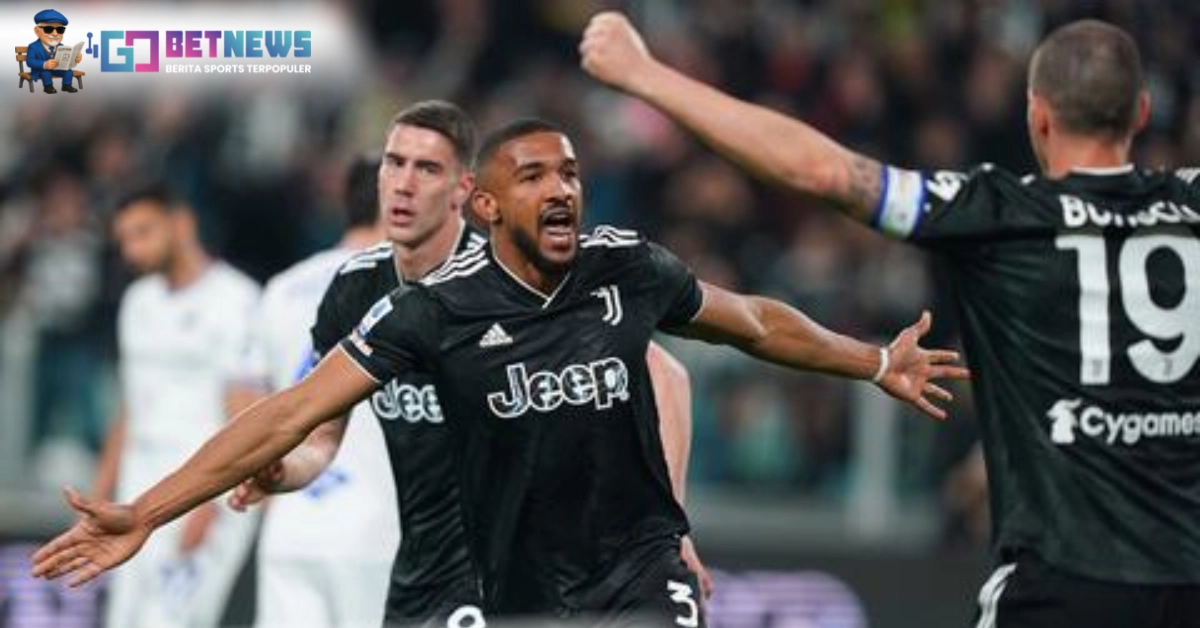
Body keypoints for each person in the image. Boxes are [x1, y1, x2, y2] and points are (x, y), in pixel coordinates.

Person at [32, 119, 966, 626]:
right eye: (535, 176)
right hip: (503, 587)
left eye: (571, 173)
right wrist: (147, 511)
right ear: (486, 204)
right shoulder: (426, 312)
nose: (562, 189)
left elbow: (753, 324)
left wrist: (874, 360)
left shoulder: (622, 268)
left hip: (635, 571)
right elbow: (292, 416)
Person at [580, 13, 1200, 627]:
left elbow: (822, 170)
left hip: (1060, 585)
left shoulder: (1000, 212)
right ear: (1143, 111)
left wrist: (645, 74)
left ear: (1037, 114)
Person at [228, 101, 706, 626]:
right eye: (395, 163)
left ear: (464, 191)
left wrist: (671, 533)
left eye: (427, 169)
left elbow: (667, 375)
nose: (404, 184)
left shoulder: (511, 275)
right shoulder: (355, 289)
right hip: (417, 579)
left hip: (504, 577)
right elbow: (321, 441)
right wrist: (283, 471)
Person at [231, 154, 397, 628]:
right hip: (376, 527)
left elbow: (243, 397)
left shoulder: (285, 287)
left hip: (291, 523)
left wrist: (264, 475)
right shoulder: (408, 286)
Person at [90, 183, 262, 628]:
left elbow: (246, 414)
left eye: (143, 232)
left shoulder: (236, 300)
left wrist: (210, 503)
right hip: (137, 485)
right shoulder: (137, 302)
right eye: (124, 239)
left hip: (197, 485)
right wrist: (99, 493)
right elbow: (131, 407)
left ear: (182, 224)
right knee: (124, 619)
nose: (131, 250)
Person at [26, 9, 81, 94]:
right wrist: (44, 64)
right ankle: (48, 86)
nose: (55, 34)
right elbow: (30, 61)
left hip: (56, 69)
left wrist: (74, 59)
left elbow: (65, 59)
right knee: (46, 72)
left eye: (60, 30)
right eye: (48, 29)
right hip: (41, 70)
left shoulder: (61, 46)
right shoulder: (33, 46)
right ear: (37, 31)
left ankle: (66, 85)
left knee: (68, 71)